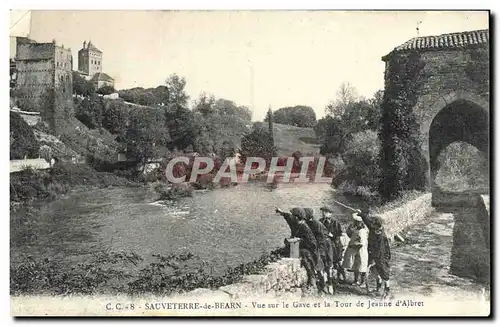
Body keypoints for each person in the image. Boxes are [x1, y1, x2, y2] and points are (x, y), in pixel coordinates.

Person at [357, 209, 391, 297]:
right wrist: (361, 214)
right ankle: (378, 289)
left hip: (381, 257)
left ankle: (387, 291)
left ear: (379, 227)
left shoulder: (382, 237)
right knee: (375, 273)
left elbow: (382, 250)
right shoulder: (373, 229)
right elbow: (367, 221)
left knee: (384, 273)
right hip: (373, 255)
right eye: (375, 228)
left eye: (378, 229)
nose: (376, 230)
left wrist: (375, 260)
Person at [304, 207, 333, 293]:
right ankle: (323, 285)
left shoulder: (317, 224)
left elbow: (322, 238)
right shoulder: (308, 222)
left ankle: (330, 284)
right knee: (321, 266)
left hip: (325, 246)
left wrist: (320, 251)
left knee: (328, 265)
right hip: (319, 246)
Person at [294, 208, 323, 289]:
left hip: (311, 248)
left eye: (294, 217)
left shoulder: (303, 226)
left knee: (306, 259)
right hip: (311, 247)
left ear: (297, 217)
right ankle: (315, 282)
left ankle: (313, 281)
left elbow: (309, 240)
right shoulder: (303, 224)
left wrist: (299, 240)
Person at [319, 206, 346, 282]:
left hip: (335, 244)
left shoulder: (335, 222)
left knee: (337, 261)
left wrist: (333, 235)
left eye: (326, 212)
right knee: (326, 260)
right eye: (323, 212)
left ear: (330, 214)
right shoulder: (320, 221)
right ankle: (328, 277)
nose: (323, 214)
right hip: (325, 244)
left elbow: (340, 233)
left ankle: (342, 276)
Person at [342, 212, 369, 286]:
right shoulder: (356, 229)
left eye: (356, 222)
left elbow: (362, 243)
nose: (354, 223)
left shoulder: (362, 231)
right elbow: (350, 235)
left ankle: (363, 282)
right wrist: (349, 229)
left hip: (361, 250)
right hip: (355, 250)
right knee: (355, 265)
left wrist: (353, 245)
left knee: (362, 266)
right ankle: (356, 280)